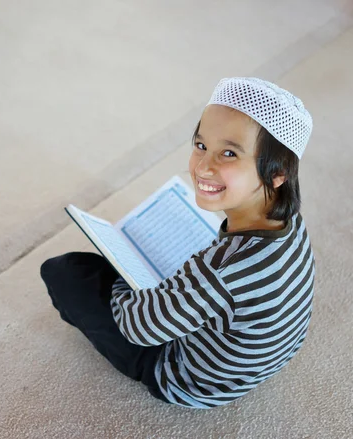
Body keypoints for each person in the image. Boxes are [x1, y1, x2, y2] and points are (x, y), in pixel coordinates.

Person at [40, 77, 315, 409]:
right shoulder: (291, 222)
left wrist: (127, 278)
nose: (203, 166)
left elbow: (138, 327)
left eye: (229, 153)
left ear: (277, 172)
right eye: (201, 145)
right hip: (250, 366)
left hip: (185, 381)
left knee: (65, 271)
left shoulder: (220, 270)